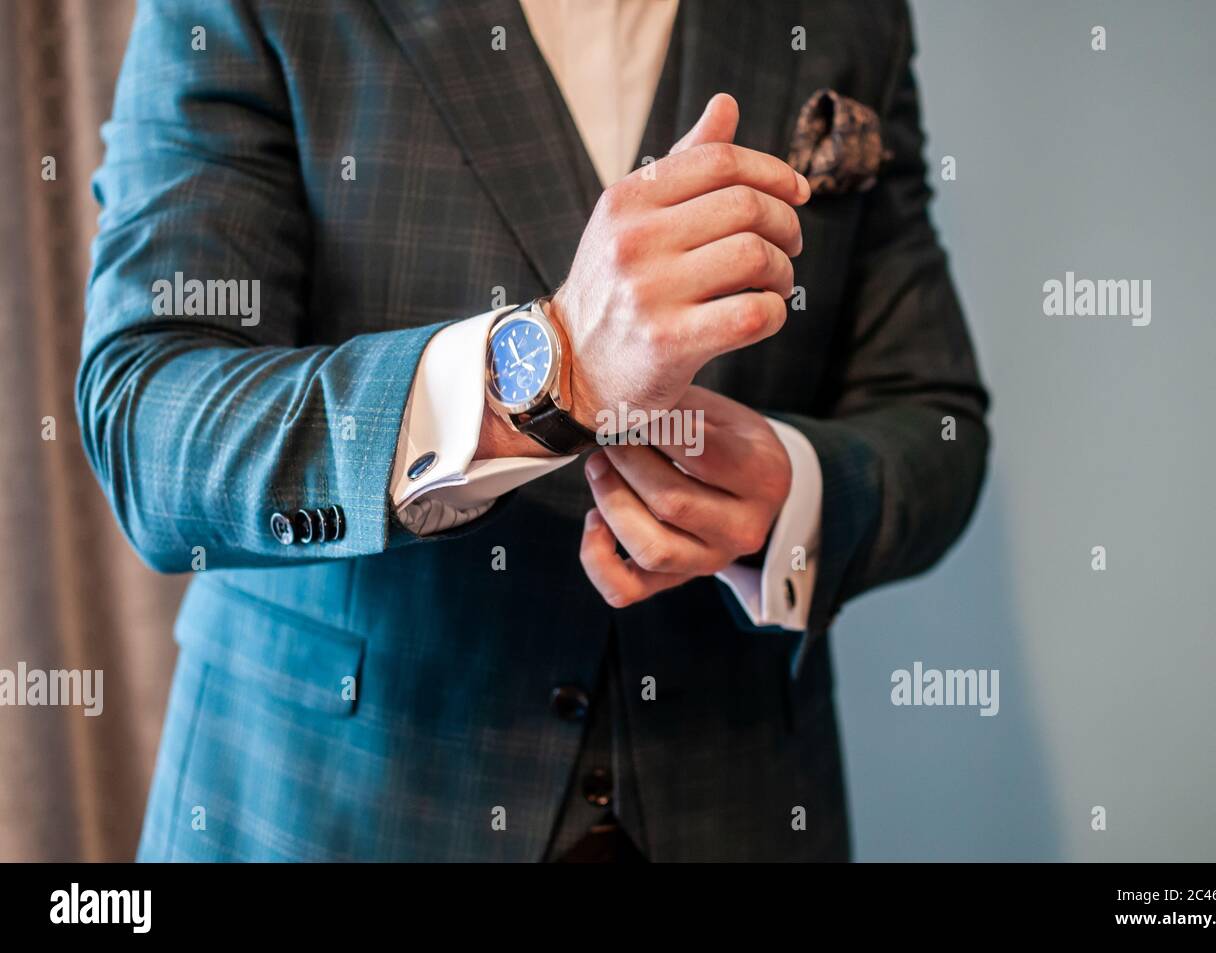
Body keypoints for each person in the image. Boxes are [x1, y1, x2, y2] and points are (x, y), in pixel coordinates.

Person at [79, 0, 989, 861]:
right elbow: (148, 415)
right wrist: (549, 370)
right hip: (335, 804)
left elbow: (935, 418)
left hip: (737, 798)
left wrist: (791, 492)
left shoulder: (847, 14)